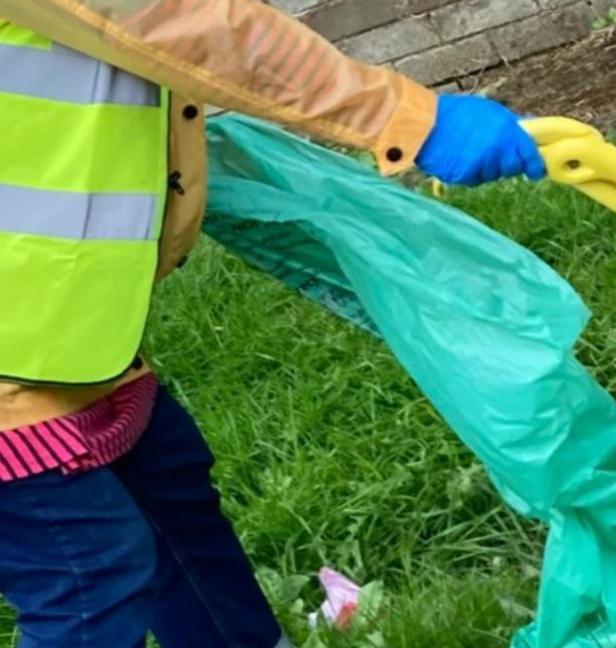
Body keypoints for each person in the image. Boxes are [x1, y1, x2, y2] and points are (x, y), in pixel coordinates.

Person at [0, 2, 545, 646]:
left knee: (173, 511)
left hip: (63, 327)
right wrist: (405, 117)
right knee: (90, 584)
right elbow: (189, 25)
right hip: (23, 355)